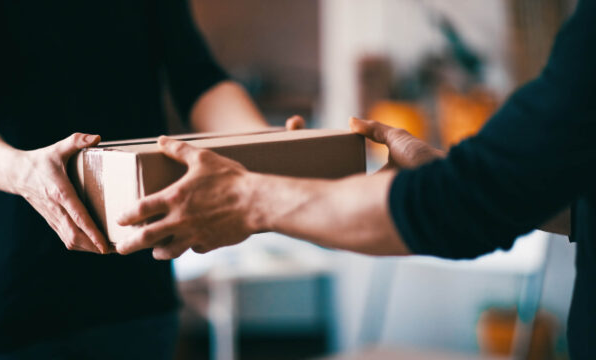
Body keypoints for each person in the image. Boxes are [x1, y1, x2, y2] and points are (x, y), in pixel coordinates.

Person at [114, 0, 595, 358]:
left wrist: (248, 197)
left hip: (136, 307)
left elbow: (464, 205)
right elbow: (570, 198)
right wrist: (440, 178)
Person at [0, 0, 304, 358]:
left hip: (137, 283)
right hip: (9, 287)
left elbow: (198, 77)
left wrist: (264, 144)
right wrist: (22, 171)